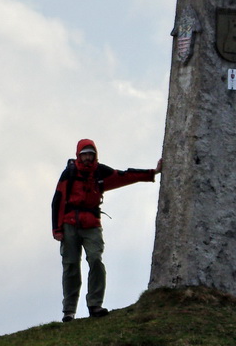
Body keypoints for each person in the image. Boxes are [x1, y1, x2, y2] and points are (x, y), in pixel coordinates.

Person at [51, 138, 161, 322]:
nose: (87, 158)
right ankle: (69, 311)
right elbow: (58, 201)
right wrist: (57, 229)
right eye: (84, 154)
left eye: (90, 154)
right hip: (69, 224)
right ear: (79, 155)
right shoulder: (69, 174)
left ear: (95, 156)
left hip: (92, 224)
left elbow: (124, 175)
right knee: (70, 266)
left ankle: (95, 305)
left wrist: (153, 172)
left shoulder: (100, 173)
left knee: (95, 260)